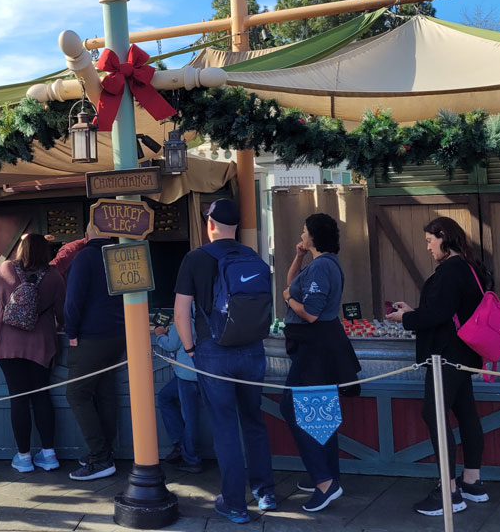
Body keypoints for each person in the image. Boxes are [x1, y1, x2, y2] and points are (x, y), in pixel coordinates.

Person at [174, 198, 276, 523]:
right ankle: (266, 492)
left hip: (213, 352)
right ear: (237, 225)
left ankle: (234, 503)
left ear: (210, 224)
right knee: (254, 422)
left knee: (225, 427)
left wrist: (191, 351)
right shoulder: (253, 256)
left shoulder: (194, 259)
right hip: (252, 351)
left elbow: (180, 314)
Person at [387, 216, 489, 516]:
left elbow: (439, 315)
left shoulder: (449, 271)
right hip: (466, 353)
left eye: (431, 241)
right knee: (466, 412)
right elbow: (447, 311)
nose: (429, 248)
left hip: (446, 355)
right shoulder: (472, 267)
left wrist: (405, 318)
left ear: (444, 237)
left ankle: (449, 491)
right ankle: (472, 481)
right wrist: (415, 312)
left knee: (433, 413)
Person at [280, 213, 360, 513]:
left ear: (314, 235)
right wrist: (298, 258)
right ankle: (328, 474)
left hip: (313, 347)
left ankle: (325, 482)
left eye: (304, 232)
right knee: (319, 409)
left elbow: (310, 312)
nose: (301, 235)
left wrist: (288, 300)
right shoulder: (322, 264)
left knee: (292, 406)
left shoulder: (323, 266)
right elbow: (293, 284)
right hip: (321, 346)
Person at [0, 233, 66, 473]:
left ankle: (23, 458)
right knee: (41, 396)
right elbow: (62, 314)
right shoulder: (54, 276)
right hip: (41, 345)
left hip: (8, 345)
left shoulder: (5, 269)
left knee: (18, 398)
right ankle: (49, 455)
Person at [64, 226, 126, 480]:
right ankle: (105, 452)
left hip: (91, 336)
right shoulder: (120, 255)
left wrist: (71, 332)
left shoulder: (84, 258)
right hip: (119, 333)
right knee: (105, 393)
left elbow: (73, 300)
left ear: (87, 234)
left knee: (76, 393)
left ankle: (100, 458)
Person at [154, 312, 203, 474]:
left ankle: (191, 458)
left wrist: (159, 334)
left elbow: (171, 344)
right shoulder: (208, 314)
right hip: (207, 372)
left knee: (189, 416)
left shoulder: (185, 315)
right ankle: (182, 446)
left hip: (187, 374)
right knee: (166, 398)